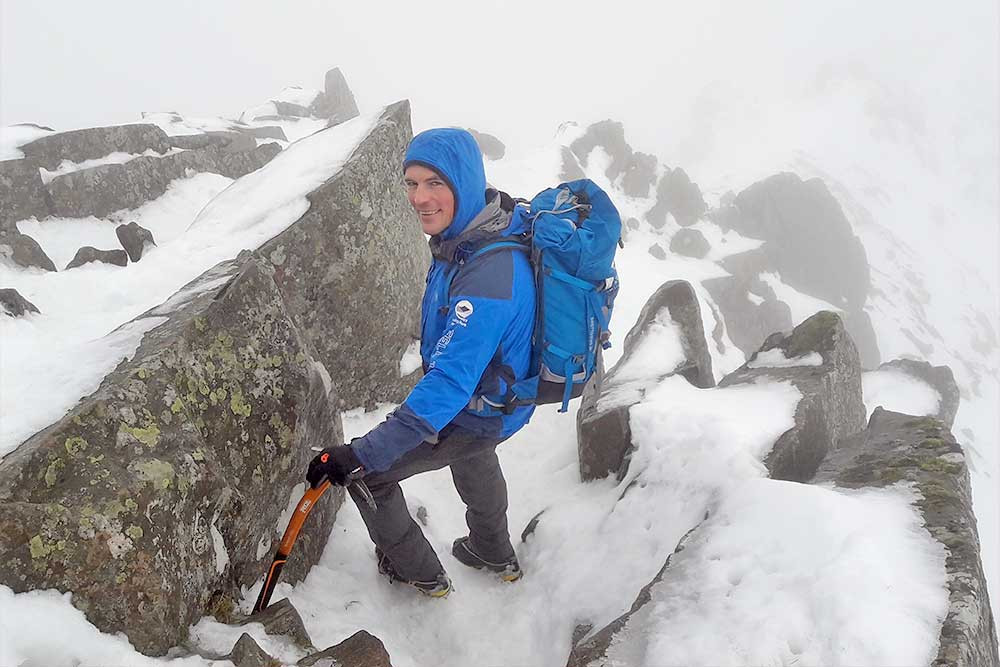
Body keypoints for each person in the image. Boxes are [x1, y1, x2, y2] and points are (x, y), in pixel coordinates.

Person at [306, 127, 537, 598]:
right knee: (474, 453)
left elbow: (449, 385)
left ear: (464, 183)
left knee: (369, 475)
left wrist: (363, 453)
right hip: (496, 400)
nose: (419, 197)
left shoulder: (488, 273)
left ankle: (420, 573)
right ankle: (493, 551)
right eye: (411, 183)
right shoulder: (471, 237)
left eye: (434, 183)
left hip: (475, 406)